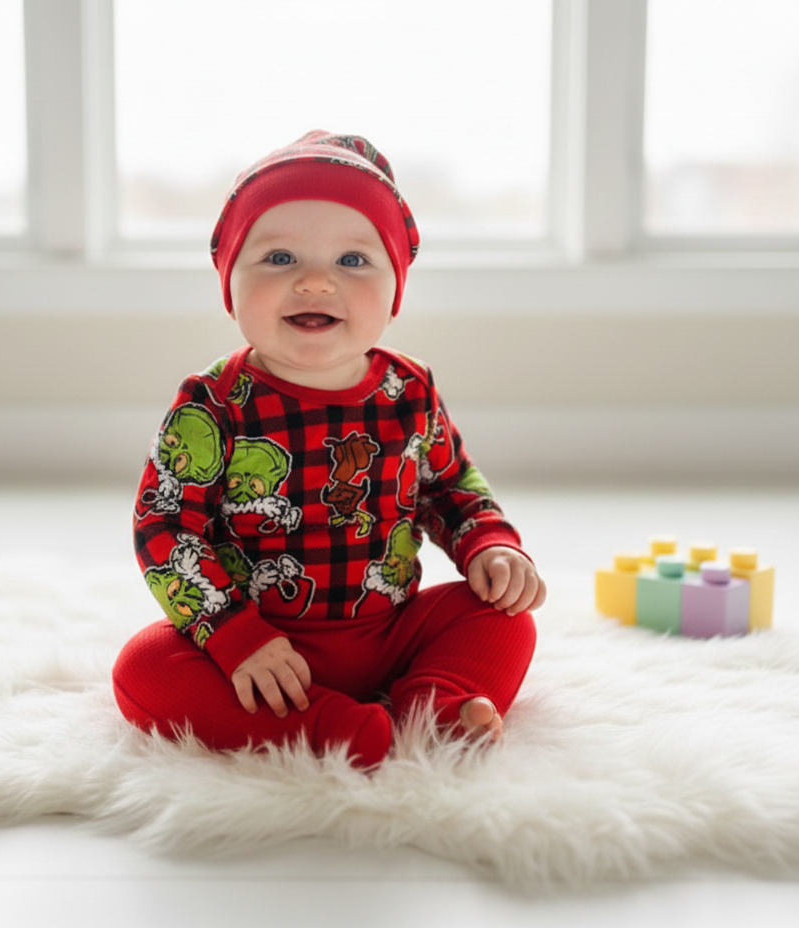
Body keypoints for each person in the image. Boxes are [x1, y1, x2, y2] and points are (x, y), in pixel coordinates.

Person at [112, 131, 544, 769]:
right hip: (260, 647)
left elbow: (450, 487)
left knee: (504, 617)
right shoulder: (213, 403)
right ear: (230, 285)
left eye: (352, 260)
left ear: (394, 291)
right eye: (280, 257)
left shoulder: (410, 389)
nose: (315, 281)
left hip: (390, 631)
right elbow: (165, 526)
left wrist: (490, 546)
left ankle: (435, 703)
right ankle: (329, 729)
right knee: (143, 668)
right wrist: (233, 634)